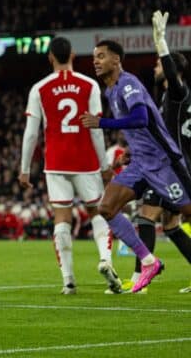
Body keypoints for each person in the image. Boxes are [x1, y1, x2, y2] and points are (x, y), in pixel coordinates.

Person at [81, 39, 191, 293]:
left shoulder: (128, 83)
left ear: (116, 60)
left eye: (101, 56)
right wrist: (129, 152)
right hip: (141, 162)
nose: (96, 61)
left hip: (163, 162)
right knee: (106, 208)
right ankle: (149, 261)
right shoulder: (110, 91)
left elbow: (141, 118)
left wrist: (102, 124)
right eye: (94, 56)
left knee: (185, 212)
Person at [19, 37, 120, 295]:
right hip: (85, 160)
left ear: (50, 57)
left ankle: (68, 281)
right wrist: (105, 165)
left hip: (56, 163)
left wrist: (24, 169)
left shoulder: (39, 88)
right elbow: (96, 130)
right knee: (97, 213)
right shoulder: (89, 85)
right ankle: (106, 259)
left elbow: (31, 134)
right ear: (73, 55)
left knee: (62, 218)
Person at [120, 11, 191, 293]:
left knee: (145, 216)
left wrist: (161, 42)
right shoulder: (170, 97)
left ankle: (141, 277)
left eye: (160, 64)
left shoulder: (178, 92)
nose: (155, 68)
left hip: (171, 168)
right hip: (178, 165)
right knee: (171, 224)